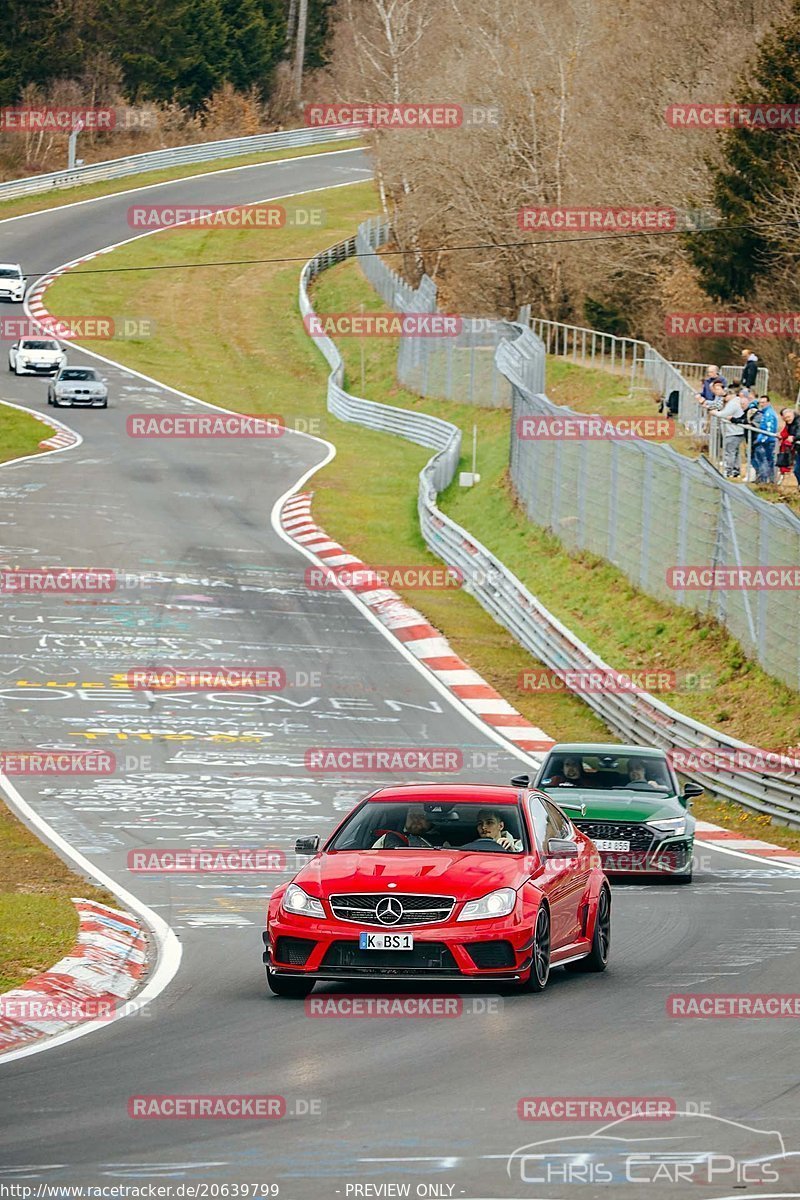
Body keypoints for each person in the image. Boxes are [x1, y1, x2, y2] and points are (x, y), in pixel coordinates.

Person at [372, 805, 440, 848]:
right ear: (405, 820)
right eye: (412, 816)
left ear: (430, 821)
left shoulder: (443, 841)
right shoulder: (390, 838)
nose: (416, 820)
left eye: (421, 816)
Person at [457, 808, 523, 853]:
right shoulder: (468, 848)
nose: (483, 827)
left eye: (489, 823)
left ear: (501, 826)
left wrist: (512, 851)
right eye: (480, 823)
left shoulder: (520, 845)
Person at [716, 391, 748, 478]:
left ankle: (729, 470)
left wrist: (714, 412)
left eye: (725, 395)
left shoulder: (733, 403)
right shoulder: (735, 403)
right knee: (735, 452)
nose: (724, 398)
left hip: (733, 432)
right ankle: (735, 470)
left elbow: (723, 414)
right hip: (737, 432)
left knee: (730, 452)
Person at [752, 395, 778, 484]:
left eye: (763, 402)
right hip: (764, 439)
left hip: (767, 441)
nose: (762, 404)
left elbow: (769, 430)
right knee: (765, 460)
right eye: (760, 402)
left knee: (765, 461)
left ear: (768, 402)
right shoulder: (764, 412)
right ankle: (767, 480)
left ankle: (766, 480)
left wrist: (762, 440)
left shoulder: (769, 414)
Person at [778, 408, 800, 488]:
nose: (788, 419)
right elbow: (786, 433)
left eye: (789, 417)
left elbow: (798, 433)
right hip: (798, 449)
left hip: (797, 446)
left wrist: (794, 438)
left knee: (797, 469)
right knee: (797, 470)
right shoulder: (789, 423)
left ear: (793, 414)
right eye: (786, 418)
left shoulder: (798, 421)